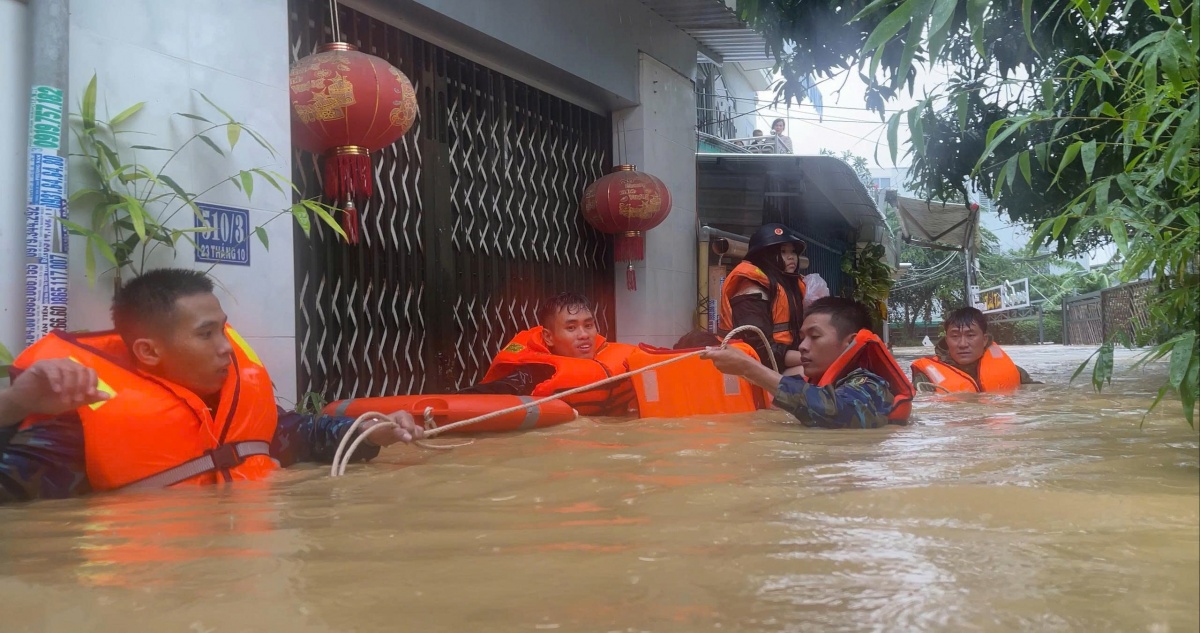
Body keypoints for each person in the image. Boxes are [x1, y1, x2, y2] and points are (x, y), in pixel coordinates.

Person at [0, 268, 422, 504]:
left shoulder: (235, 402)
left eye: (224, 331)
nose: (227, 349)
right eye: (206, 335)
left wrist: (371, 432)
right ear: (148, 352)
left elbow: (296, 434)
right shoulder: (79, 425)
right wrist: (14, 405)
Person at [702, 297, 914, 428]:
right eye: (802, 337)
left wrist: (749, 367)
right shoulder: (817, 384)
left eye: (814, 336)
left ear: (850, 343)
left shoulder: (872, 385)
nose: (802, 346)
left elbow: (836, 411)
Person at [460, 292, 637, 416]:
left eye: (589, 325)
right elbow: (489, 393)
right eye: (571, 328)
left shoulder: (626, 362)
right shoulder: (536, 372)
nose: (584, 335)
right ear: (548, 337)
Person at [717, 223, 807, 375]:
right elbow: (758, 348)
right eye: (783, 252)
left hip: (777, 363)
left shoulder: (788, 287)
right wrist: (807, 358)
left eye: (793, 251)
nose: (791, 257)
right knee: (810, 373)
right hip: (752, 369)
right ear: (765, 256)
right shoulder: (751, 292)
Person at [910, 307, 1038, 392]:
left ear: (984, 340)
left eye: (970, 335)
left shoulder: (1014, 371)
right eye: (955, 336)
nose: (963, 344)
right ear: (947, 340)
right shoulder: (925, 378)